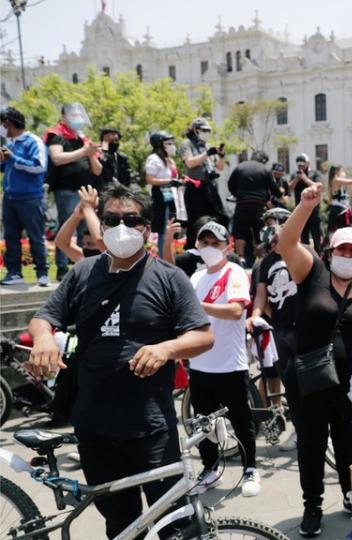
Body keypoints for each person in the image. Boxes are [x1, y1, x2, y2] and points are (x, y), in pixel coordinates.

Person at [27, 184, 214, 538]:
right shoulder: (84, 272)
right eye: (111, 219)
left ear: (147, 227)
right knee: (122, 526)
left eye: (131, 219)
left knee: (175, 524)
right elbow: (43, 317)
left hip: (151, 428)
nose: (121, 227)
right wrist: (42, 337)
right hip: (94, 427)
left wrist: (166, 349)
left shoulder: (168, 278)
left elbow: (203, 335)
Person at [276, 191, 352, 537]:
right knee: (311, 446)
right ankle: (312, 506)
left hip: (351, 384)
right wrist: (306, 206)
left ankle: (351, 497)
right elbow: (286, 242)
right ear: (330, 251)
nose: (348, 256)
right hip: (309, 383)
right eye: (342, 249)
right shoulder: (313, 273)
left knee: (348, 446)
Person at [187, 220, 260, 497]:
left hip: (229, 364)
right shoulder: (196, 278)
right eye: (204, 243)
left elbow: (234, 311)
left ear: (227, 246)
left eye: (215, 243)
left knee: (241, 420)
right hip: (200, 364)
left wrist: (199, 305)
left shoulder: (234, 273)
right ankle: (211, 468)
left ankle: (250, 468)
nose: (209, 248)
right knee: (203, 422)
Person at [247, 207, 298, 451]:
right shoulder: (264, 263)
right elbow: (260, 296)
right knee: (280, 378)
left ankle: (303, 428)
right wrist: (258, 316)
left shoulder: (300, 254)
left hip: (303, 327)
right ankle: (282, 422)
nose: (275, 234)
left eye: (279, 226)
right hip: (278, 329)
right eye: (271, 229)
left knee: (302, 381)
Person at [44, 103, 103, 281]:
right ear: (63, 116)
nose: (77, 117)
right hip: (67, 189)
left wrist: (91, 153)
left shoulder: (83, 139)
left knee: (86, 231)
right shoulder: (57, 135)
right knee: (67, 226)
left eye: (79, 114)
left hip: (86, 190)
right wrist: (83, 151)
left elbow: (98, 170)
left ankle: (82, 265)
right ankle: (62, 269)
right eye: (73, 114)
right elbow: (57, 158)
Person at [1, 106, 50, 286]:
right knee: (11, 236)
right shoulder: (11, 143)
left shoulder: (33, 141)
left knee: (35, 236)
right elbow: (10, 168)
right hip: (10, 198)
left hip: (30, 198)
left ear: (7, 123)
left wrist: (13, 158)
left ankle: (42, 273)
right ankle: (14, 273)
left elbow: (39, 166)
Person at [180, 117, 227, 248]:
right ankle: (192, 249)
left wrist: (221, 155)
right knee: (195, 220)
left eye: (208, 130)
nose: (207, 133)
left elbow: (220, 166)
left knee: (219, 217)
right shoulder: (186, 144)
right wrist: (207, 153)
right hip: (195, 187)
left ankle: (215, 245)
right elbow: (189, 163)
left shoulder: (207, 145)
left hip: (210, 186)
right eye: (204, 130)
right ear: (195, 130)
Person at [227, 150, 280, 267]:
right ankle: (262, 259)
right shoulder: (265, 170)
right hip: (259, 205)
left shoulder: (239, 167)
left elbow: (230, 185)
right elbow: (274, 188)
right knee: (261, 232)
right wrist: (278, 195)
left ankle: (241, 257)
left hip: (242, 204)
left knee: (240, 231)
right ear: (263, 160)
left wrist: (239, 194)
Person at [145, 131, 185, 257]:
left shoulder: (168, 160)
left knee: (172, 227)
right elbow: (150, 179)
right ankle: (163, 257)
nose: (172, 146)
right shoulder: (153, 159)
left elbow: (173, 176)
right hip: (161, 196)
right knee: (163, 230)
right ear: (159, 145)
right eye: (168, 143)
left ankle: (170, 256)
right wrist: (169, 181)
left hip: (172, 196)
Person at [53, 185, 105, 262]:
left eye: (90, 244)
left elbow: (100, 241)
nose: (85, 247)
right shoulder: (89, 258)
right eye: (85, 244)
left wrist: (87, 208)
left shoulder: (118, 258)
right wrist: (76, 216)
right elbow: (61, 242)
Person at [288, 154, 323, 249]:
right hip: (300, 211)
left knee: (316, 235)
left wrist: (305, 178)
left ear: (308, 163)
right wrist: (296, 179)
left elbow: (319, 186)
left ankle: (319, 255)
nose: (300, 167)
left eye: (302, 165)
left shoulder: (314, 173)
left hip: (313, 211)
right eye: (299, 165)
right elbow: (289, 188)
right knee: (303, 237)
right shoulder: (295, 175)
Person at [326, 163, 352, 236]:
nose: (343, 173)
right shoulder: (336, 180)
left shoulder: (338, 181)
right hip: (340, 210)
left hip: (342, 208)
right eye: (341, 171)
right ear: (336, 172)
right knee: (343, 232)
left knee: (345, 231)